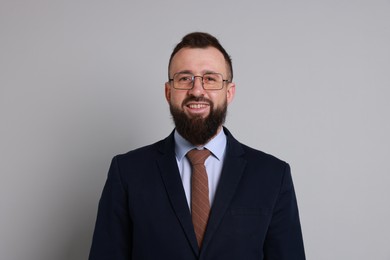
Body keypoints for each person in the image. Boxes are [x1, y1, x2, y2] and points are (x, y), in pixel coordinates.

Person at [89, 32, 305, 260]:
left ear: (229, 92)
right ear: (168, 91)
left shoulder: (272, 175)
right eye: (185, 78)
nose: (197, 90)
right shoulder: (127, 172)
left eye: (210, 78)